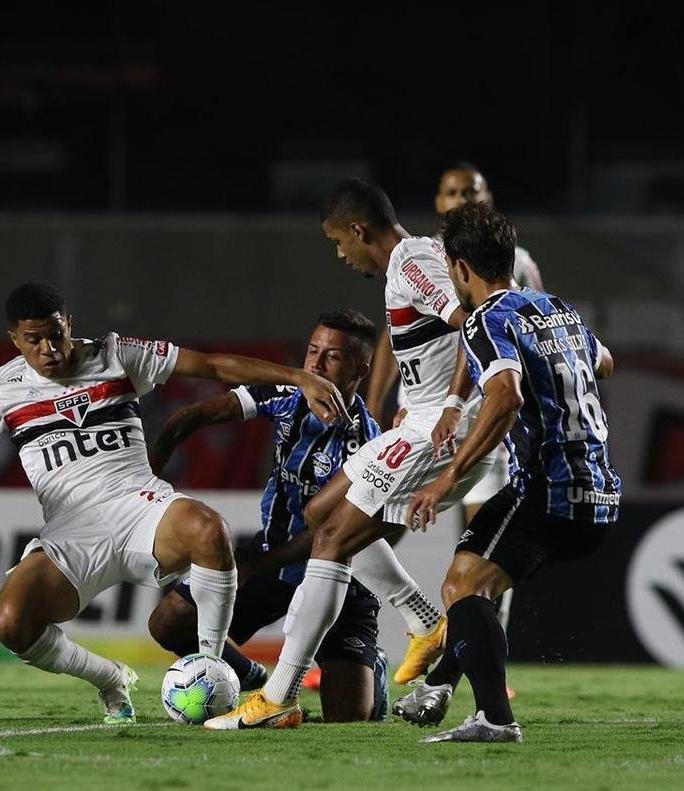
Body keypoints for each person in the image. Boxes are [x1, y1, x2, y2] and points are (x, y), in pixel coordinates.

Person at [0, 282, 348, 724]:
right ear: (14, 340)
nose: (50, 349)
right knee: (11, 622)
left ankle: (211, 668)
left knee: (207, 530)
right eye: (34, 340)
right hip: (72, 534)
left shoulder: (116, 352)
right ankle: (109, 678)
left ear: (68, 323)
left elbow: (210, 365)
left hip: (139, 506)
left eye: (56, 334)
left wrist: (297, 375)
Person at [205, 178, 495, 730]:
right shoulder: (418, 260)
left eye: (339, 242)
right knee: (321, 515)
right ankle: (424, 621)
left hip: (444, 428)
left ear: (359, 230)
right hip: (428, 420)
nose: (340, 254)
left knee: (332, 536)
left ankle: (279, 694)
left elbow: (474, 325)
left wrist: (452, 403)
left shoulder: (411, 262)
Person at [395, 203, 620, 743]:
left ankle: (496, 718)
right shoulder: (557, 309)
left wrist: (445, 482)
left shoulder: (485, 319)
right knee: (479, 580)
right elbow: (605, 361)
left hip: (547, 487)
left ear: (462, 269)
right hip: (601, 489)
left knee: (460, 585)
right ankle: (442, 685)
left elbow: (505, 397)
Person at [146, 309, 391, 722]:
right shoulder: (286, 394)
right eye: (313, 350)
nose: (314, 364)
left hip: (340, 580)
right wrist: (149, 480)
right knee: (171, 621)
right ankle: (253, 679)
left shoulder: (367, 444)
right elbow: (193, 416)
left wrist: (261, 562)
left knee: (348, 720)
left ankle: (373, 669)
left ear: (360, 368)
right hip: (273, 562)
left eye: (331, 357)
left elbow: (328, 530)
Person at [364, 162, 544, 676]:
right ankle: (363, 645)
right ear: (439, 201)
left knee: (487, 547)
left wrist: (452, 400)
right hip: (422, 414)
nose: (463, 197)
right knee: (372, 530)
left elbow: (497, 328)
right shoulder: (428, 257)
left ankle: (483, 667)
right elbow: (392, 336)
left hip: (482, 414)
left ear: (489, 198)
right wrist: (376, 404)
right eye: (452, 191)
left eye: (473, 190)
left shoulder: (518, 263)